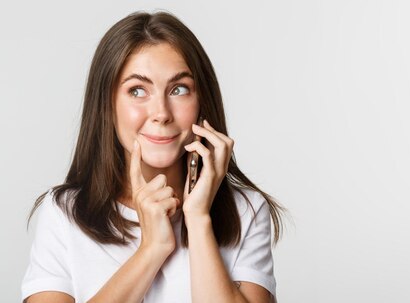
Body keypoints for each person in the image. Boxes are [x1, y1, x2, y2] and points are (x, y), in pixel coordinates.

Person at [21, 10, 285, 303]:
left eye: (179, 89)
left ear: (202, 102)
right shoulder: (63, 214)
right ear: (107, 105)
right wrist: (152, 249)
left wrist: (197, 220)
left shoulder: (245, 211)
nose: (161, 113)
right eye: (137, 91)